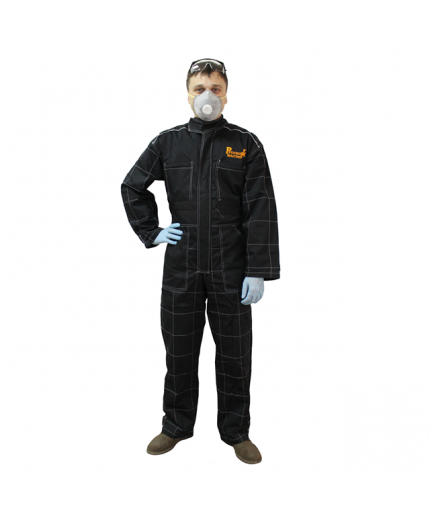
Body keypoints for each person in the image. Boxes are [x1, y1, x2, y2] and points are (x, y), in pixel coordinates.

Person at [121, 58, 280, 464]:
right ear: (187, 95)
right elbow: (133, 185)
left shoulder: (246, 143)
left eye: (215, 88)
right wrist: (152, 231)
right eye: (199, 89)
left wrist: (258, 270)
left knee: (235, 353)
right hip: (182, 263)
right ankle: (175, 426)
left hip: (231, 265)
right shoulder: (167, 143)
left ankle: (236, 432)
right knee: (179, 349)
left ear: (226, 95)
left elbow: (261, 207)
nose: (207, 96)